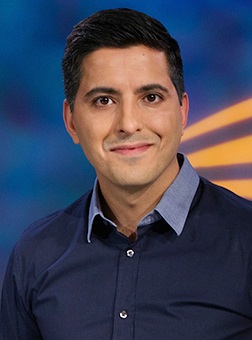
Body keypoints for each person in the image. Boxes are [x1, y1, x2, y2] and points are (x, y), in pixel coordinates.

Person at [1, 8, 252, 340]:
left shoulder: (246, 241)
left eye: (151, 97)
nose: (128, 123)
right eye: (104, 100)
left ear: (183, 111)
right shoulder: (35, 254)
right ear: (72, 121)